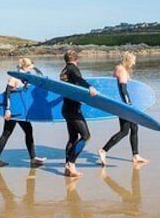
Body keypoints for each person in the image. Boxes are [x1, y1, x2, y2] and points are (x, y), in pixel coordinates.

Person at [0, 58, 46, 168]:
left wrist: (36, 70)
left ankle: (33, 158)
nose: (32, 66)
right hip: (13, 111)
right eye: (31, 64)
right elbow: (7, 93)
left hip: (21, 112)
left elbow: (40, 79)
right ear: (25, 66)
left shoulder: (26, 76)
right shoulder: (15, 77)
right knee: (7, 133)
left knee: (28, 131)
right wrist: (7, 110)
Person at [98, 51, 149, 165]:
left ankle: (136, 155)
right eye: (133, 61)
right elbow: (123, 89)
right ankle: (103, 150)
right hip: (124, 104)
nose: (133, 64)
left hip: (120, 103)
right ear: (128, 60)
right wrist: (128, 105)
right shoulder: (121, 70)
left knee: (134, 128)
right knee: (124, 131)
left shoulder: (118, 68)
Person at [60, 49, 97, 178]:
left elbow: (68, 87)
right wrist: (89, 86)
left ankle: (67, 167)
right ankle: (71, 163)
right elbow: (78, 79)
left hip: (66, 108)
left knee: (72, 138)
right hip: (73, 110)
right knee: (86, 136)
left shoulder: (64, 71)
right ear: (77, 60)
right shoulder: (72, 69)